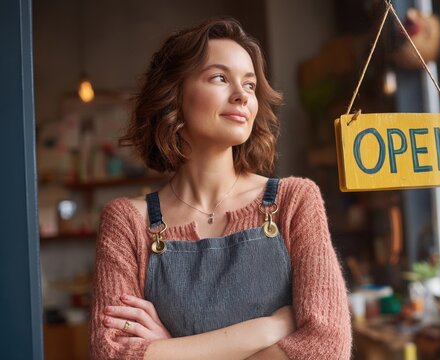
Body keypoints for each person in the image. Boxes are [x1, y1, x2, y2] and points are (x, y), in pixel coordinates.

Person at [89, 17, 352, 360]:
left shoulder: (294, 201)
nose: (242, 95)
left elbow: (327, 348)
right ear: (174, 94)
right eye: (219, 78)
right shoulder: (127, 222)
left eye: (250, 84)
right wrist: (267, 329)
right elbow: (111, 355)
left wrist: (167, 351)